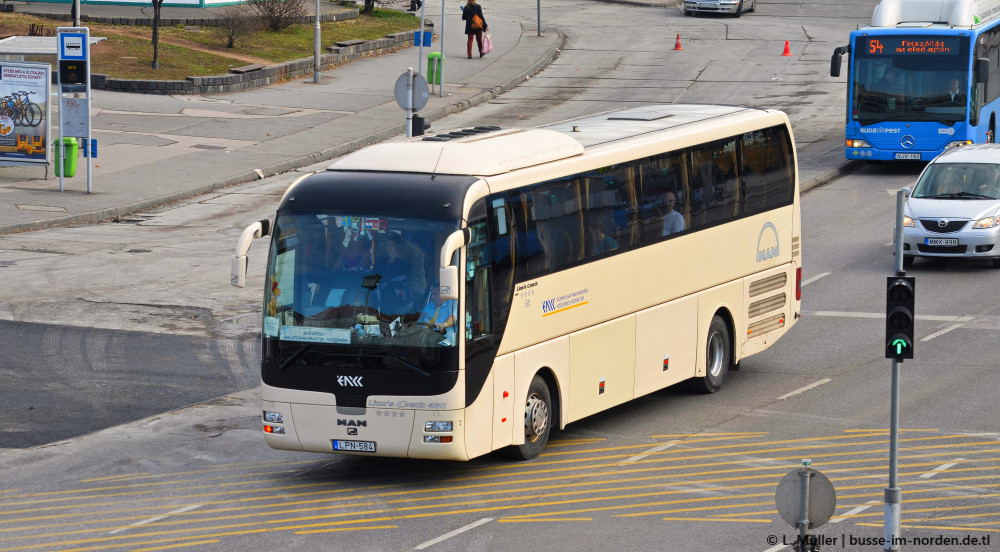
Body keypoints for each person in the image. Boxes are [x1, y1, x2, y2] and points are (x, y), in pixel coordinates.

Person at [374, 232, 425, 313]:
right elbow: (375, 274)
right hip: (379, 287)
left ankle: (386, 318)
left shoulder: (405, 263)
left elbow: (405, 279)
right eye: (387, 245)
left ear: (397, 246)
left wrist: (388, 284)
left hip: (398, 289)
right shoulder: (381, 261)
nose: (389, 248)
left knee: (388, 295)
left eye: (391, 245)